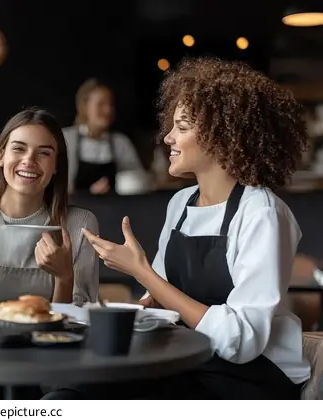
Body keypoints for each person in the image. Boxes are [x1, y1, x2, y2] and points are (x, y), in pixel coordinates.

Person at [67, 57, 311, 399]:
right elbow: (167, 301)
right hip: (190, 355)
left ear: (221, 135)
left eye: (182, 127)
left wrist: (142, 272)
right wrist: (140, 306)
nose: (168, 136)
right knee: (76, 389)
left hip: (252, 374)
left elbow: (239, 341)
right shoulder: (180, 204)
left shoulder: (262, 214)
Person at [0, 107, 99, 313]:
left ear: (56, 165)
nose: (29, 160)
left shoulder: (80, 224)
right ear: (1, 156)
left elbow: (79, 320)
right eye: (19, 149)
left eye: (44, 153)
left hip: (50, 344)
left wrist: (64, 278)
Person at [62, 78, 144, 195]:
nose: (108, 110)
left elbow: (137, 180)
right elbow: (55, 185)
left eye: (111, 104)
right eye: (101, 104)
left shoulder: (120, 142)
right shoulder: (65, 139)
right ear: (84, 107)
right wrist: (89, 195)